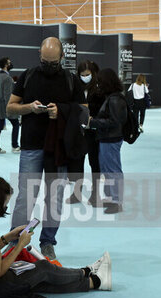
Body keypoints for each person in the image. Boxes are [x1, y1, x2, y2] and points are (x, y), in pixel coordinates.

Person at [0, 175, 112, 298]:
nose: (5, 208)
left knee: (37, 278)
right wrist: (19, 244)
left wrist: (7, 238)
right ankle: (86, 271)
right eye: (4, 204)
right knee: (43, 268)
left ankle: (94, 282)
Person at [6, 37, 84, 260]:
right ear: (39, 56)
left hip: (58, 148)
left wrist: (62, 111)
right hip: (31, 145)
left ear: (62, 58)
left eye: (53, 63)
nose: (48, 67)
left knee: (55, 197)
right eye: (44, 62)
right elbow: (10, 108)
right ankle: (15, 240)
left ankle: (48, 242)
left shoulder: (71, 80)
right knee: (25, 197)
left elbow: (85, 112)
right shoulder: (28, 76)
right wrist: (29, 108)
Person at [87, 68, 127, 214]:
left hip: (111, 138)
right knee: (107, 170)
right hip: (106, 138)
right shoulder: (112, 97)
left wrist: (94, 122)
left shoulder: (115, 99)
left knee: (112, 170)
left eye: (100, 82)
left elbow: (114, 122)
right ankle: (112, 199)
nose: (98, 85)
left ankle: (116, 200)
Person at [66, 60, 105, 206]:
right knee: (77, 164)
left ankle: (95, 195)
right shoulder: (76, 87)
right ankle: (76, 194)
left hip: (94, 131)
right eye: (82, 75)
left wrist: (92, 118)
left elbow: (103, 109)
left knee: (95, 164)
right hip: (78, 131)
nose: (85, 77)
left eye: (87, 74)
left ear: (93, 74)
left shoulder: (99, 88)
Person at [0, 57, 20, 154]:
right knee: (16, 124)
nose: (11, 64)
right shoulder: (8, 78)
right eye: (9, 62)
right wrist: (11, 107)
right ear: (5, 65)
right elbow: (8, 95)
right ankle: (15, 145)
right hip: (6, 106)